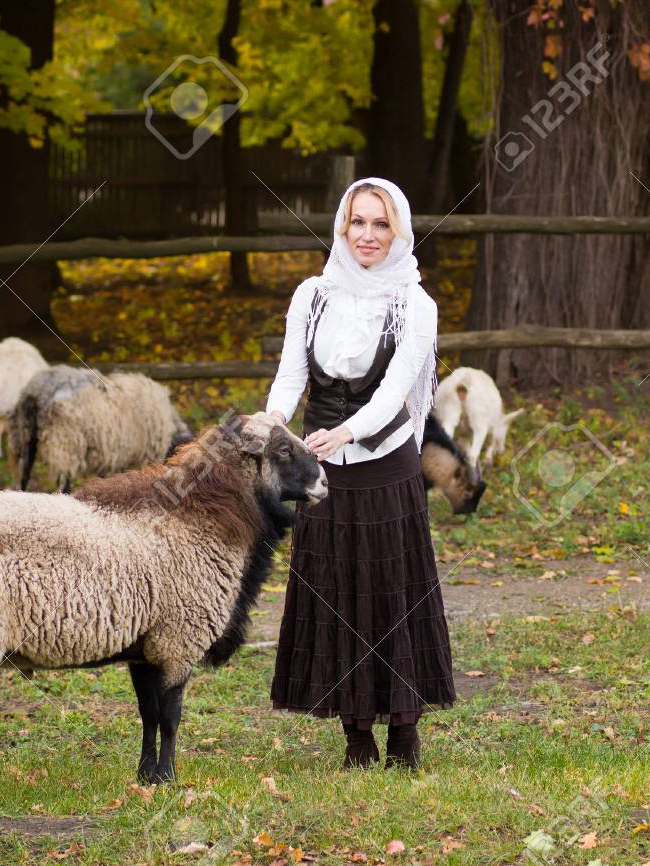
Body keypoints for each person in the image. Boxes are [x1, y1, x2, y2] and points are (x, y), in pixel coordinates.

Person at [266, 177, 456, 769]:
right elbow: (292, 375)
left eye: (380, 224)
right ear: (341, 228)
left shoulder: (413, 304)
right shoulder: (313, 295)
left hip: (385, 466)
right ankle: (356, 738)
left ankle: (403, 733)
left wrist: (348, 433)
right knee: (337, 595)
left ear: (397, 231)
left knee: (389, 595)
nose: (367, 235)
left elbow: (397, 391)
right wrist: (272, 423)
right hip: (323, 473)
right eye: (357, 223)